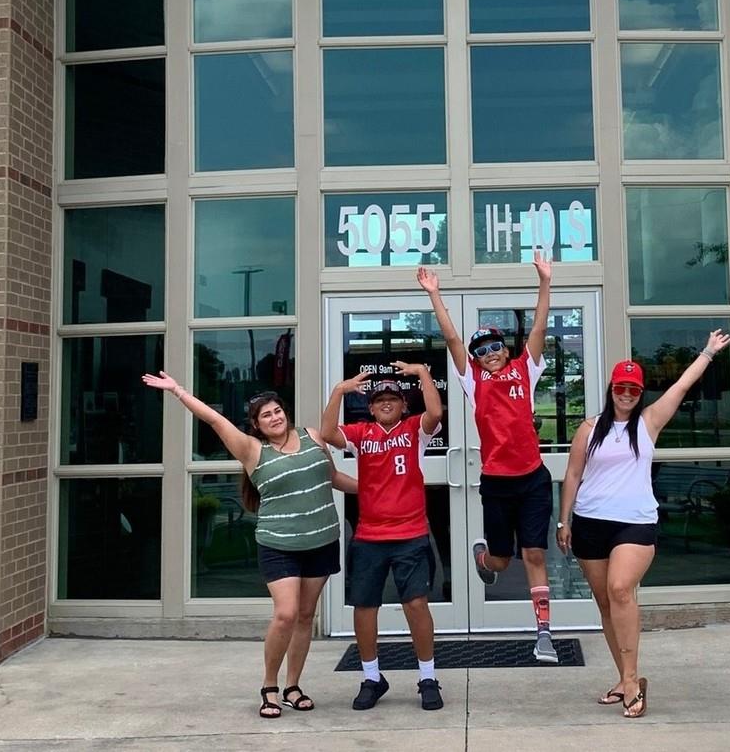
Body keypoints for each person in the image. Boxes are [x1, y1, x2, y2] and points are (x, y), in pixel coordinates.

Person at [140, 371, 357, 720]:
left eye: (277, 410)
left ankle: (293, 686)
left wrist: (376, 490)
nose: (275, 417)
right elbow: (213, 418)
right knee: (286, 614)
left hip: (321, 539)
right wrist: (178, 390)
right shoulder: (252, 450)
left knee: (305, 616)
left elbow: (333, 479)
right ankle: (269, 686)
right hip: (279, 544)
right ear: (256, 425)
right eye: (266, 415)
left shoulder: (313, 436)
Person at [557, 333, 730, 719]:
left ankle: (634, 680)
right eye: (621, 387)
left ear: (640, 392)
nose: (626, 394)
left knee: (621, 589)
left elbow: (682, 385)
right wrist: (563, 520)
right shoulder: (589, 428)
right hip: (589, 522)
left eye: (633, 389)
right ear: (611, 389)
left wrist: (706, 352)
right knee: (605, 602)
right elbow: (572, 475)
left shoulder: (650, 422)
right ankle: (623, 678)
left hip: (634, 524)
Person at [417, 252, 558, 662]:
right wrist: (435, 296)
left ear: (505, 347)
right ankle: (484, 556)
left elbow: (540, 325)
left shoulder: (523, 369)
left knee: (533, 553)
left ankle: (544, 633)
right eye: (483, 349)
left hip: (532, 478)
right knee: (499, 559)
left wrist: (545, 282)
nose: (490, 352)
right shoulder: (474, 381)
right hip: (496, 483)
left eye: (495, 345)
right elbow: (453, 340)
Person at [321, 361, 445, 711]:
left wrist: (422, 374)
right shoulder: (362, 434)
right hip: (370, 535)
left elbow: (435, 412)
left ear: (404, 404)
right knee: (364, 606)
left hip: (411, 533)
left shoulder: (413, 430)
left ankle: (427, 677)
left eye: (393, 398)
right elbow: (329, 433)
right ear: (371, 407)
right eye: (379, 400)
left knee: (416, 604)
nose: (386, 403)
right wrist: (338, 392)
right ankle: (372, 677)